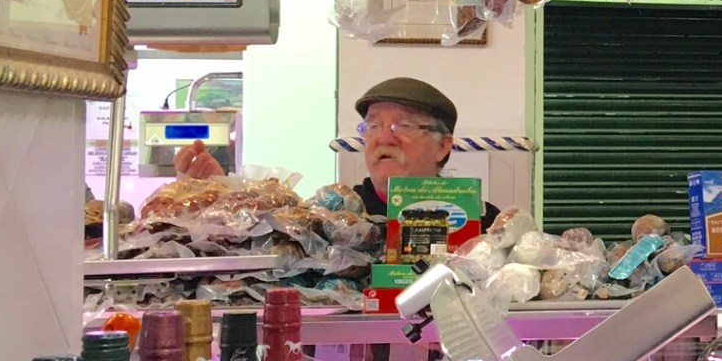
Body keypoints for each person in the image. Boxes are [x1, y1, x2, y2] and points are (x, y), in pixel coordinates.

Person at [173, 76, 501, 229]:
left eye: (404, 125)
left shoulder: (483, 221)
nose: (385, 137)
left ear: (443, 145)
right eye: (373, 126)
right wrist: (215, 194)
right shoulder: (333, 217)